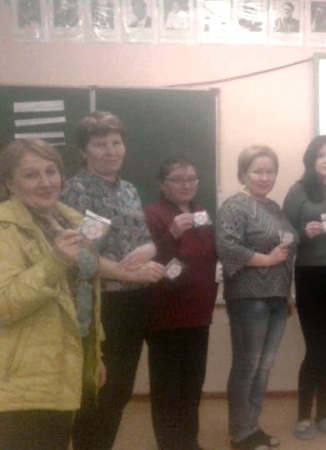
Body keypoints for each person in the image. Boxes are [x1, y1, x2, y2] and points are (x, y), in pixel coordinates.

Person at [64, 111, 166, 450]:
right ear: (83, 151)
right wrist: (130, 273)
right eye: (100, 144)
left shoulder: (128, 189)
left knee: (120, 389)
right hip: (98, 304)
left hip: (133, 301)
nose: (111, 151)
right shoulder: (76, 190)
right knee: (97, 390)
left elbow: (146, 239)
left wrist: (148, 251)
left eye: (116, 142)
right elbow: (80, 254)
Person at [0, 139, 104, 450]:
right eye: (31, 175)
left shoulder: (67, 220)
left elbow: (84, 294)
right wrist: (55, 261)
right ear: (10, 184)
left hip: (68, 362)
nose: (45, 182)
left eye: (51, 171)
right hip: (23, 377)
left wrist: (94, 356)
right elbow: (4, 304)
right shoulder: (5, 228)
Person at [216, 146, 297, 450]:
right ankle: (240, 434)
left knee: (263, 369)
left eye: (270, 171)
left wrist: (286, 292)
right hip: (249, 298)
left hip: (277, 297)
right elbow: (227, 248)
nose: (265, 177)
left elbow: (286, 250)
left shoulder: (274, 208)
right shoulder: (234, 206)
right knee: (246, 367)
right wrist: (267, 260)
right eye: (258, 171)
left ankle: (252, 426)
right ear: (243, 174)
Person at [282, 136, 326, 440]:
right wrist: (303, 234)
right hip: (310, 276)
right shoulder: (298, 191)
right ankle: (303, 416)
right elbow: (284, 236)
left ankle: (323, 413)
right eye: (321, 155)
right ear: (312, 159)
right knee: (315, 349)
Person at [144, 157, 218, 450]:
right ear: (163, 184)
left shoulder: (201, 212)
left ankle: (190, 442)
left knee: (192, 383)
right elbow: (144, 259)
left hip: (199, 312)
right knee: (167, 386)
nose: (186, 185)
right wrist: (171, 234)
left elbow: (209, 254)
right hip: (166, 315)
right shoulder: (153, 214)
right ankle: (169, 444)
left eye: (191, 179)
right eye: (177, 179)